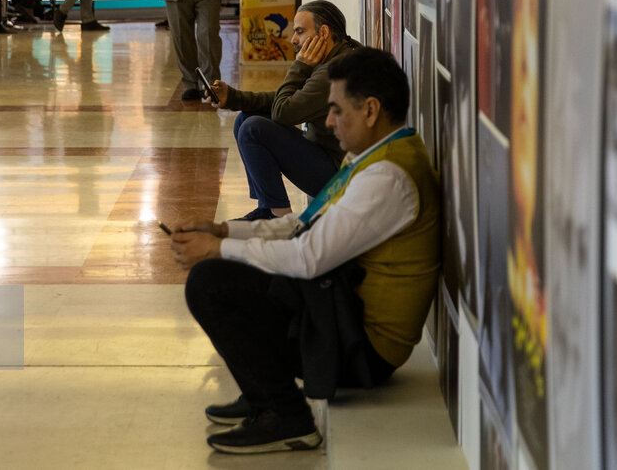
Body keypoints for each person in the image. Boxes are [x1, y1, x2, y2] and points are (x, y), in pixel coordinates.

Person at [168, 47, 440, 454]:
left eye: (335, 111)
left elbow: (309, 258)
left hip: (364, 349)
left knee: (212, 282)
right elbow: (302, 223)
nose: (328, 123)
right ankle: (263, 391)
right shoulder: (376, 157)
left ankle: (287, 417)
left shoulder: (388, 177)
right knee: (239, 268)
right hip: (345, 312)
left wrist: (219, 249)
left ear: (370, 110)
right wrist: (225, 230)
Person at [208, 1, 360, 221]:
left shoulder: (332, 71)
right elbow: (287, 100)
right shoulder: (339, 55)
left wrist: (299, 67)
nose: (293, 40)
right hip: (329, 160)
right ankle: (267, 206)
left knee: (252, 128)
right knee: (245, 119)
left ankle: (278, 216)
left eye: (299, 31)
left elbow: (283, 112)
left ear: (324, 32)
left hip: (339, 177)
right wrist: (233, 97)